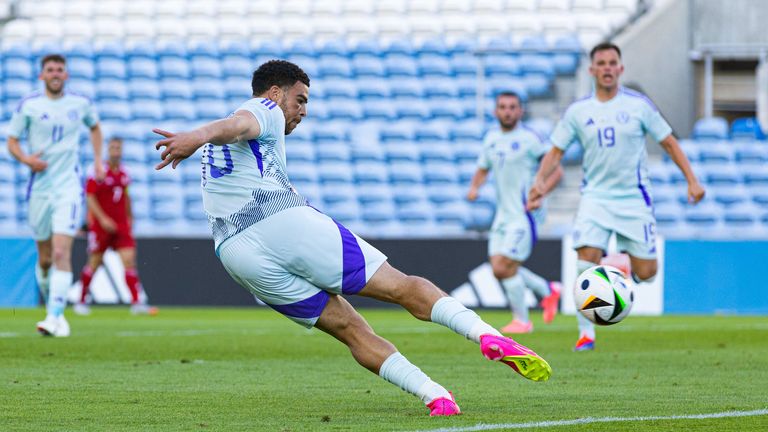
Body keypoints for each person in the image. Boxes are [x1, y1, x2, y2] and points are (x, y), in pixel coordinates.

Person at [152, 60, 552, 416]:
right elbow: (236, 124)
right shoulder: (265, 108)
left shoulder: (230, 145)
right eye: (300, 100)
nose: (303, 111)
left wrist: (200, 140)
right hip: (280, 221)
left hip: (235, 254)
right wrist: (196, 135)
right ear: (276, 92)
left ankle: (435, 396)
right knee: (402, 287)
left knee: (349, 329)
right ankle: (488, 336)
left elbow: (232, 132)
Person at [527, 42, 705, 351]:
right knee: (585, 259)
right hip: (595, 197)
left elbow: (669, 143)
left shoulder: (639, 106)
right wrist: (539, 183)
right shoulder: (578, 111)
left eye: (613, 63)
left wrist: (692, 180)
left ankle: (628, 271)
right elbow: (556, 150)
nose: (608, 68)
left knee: (648, 274)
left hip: (633, 200)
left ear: (620, 69)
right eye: (602, 63)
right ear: (592, 70)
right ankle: (586, 335)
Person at [6, 53, 103, 337]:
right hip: (39, 188)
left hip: (68, 187)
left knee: (62, 251)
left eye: (60, 69)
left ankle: (54, 316)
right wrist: (26, 159)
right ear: (42, 75)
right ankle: (54, 308)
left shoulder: (81, 103)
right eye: (50, 69)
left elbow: (95, 127)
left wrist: (97, 161)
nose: (56, 73)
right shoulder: (29, 105)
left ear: (66, 74)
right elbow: (12, 141)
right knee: (45, 258)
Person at [467, 92, 563, 334]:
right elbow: (482, 167)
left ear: (521, 111)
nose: (507, 111)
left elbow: (556, 171)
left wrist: (540, 193)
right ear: (495, 112)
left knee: (502, 267)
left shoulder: (531, 139)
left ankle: (522, 320)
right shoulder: (491, 139)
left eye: (512, 107)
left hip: (523, 214)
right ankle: (548, 290)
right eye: (502, 107)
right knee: (500, 268)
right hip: (502, 216)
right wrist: (475, 187)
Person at [74, 137, 156, 316]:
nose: (115, 151)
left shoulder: (125, 173)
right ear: (107, 150)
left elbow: (126, 197)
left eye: (118, 148)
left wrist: (130, 218)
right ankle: (80, 301)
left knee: (129, 261)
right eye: (112, 148)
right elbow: (90, 197)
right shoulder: (97, 171)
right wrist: (102, 219)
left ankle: (136, 303)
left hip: (121, 225)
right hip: (100, 226)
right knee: (94, 263)